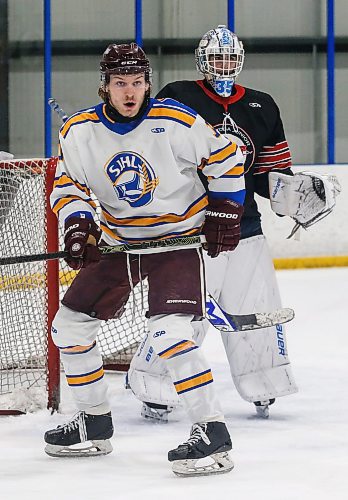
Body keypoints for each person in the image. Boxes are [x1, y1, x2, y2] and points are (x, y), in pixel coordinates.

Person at [44, 42, 246, 477]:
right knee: (69, 327)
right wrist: (79, 224)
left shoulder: (177, 120)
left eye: (137, 82)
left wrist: (226, 209)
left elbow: (227, 159)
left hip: (177, 242)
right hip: (120, 244)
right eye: (121, 83)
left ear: (147, 84)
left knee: (169, 336)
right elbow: (69, 185)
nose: (130, 91)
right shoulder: (78, 131)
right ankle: (93, 421)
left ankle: (211, 430)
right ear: (105, 87)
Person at [127, 25, 300, 422]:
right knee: (182, 312)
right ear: (202, 60)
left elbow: (270, 174)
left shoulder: (263, 106)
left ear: (239, 61)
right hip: (189, 229)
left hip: (246, 228)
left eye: (229, 58)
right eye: (216, 58)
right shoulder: (178, 96)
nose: (222, 65)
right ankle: (155, 385)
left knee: (256, 307)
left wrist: (295, 193)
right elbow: (151, 150)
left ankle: (265, 382)